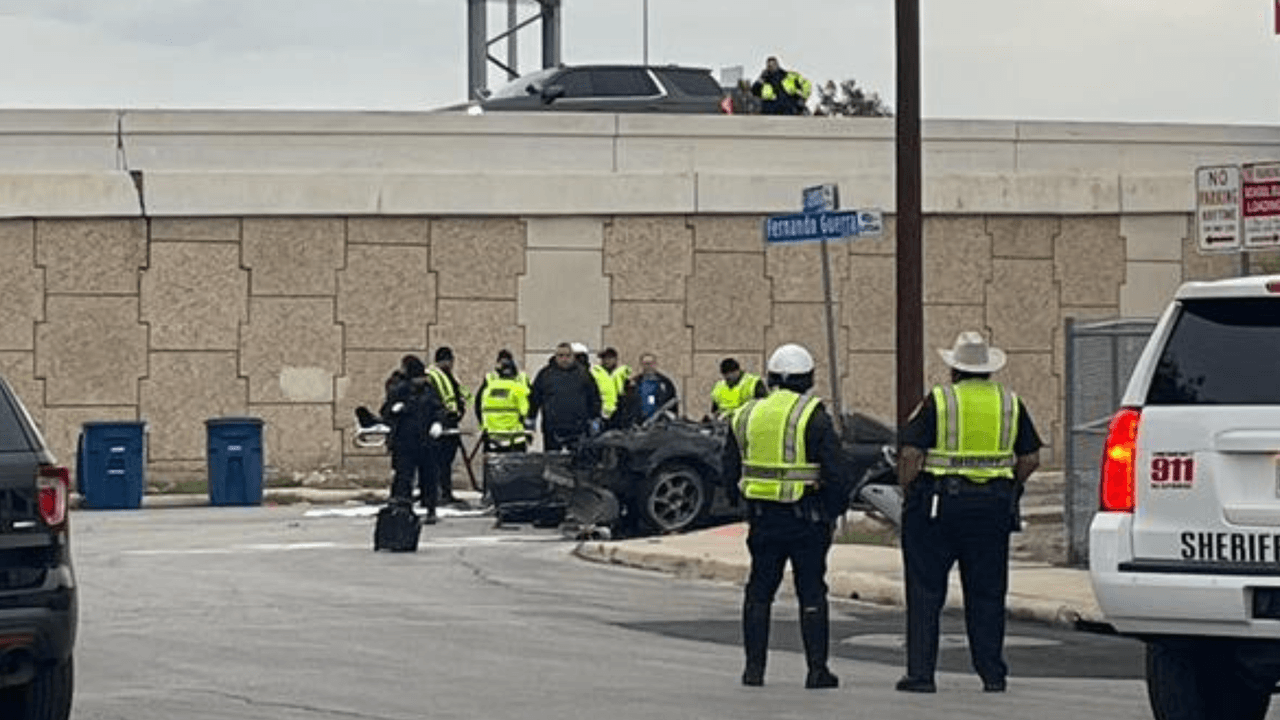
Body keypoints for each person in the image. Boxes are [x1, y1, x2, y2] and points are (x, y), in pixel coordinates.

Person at [895, 331, 1043, 694]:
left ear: (954, 370)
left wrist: (907, 486)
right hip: (992, 508)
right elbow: (1030, 458)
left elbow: (911, 455)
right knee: (988, 593)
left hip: (938, 507)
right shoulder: (1010, 402)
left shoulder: (939, 401)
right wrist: (1010, 485)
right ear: (988, 369)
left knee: (926, 590)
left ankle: (921, 675)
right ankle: (992, 674)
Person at [722, 343, 845, 689]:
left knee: (759, 591)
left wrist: (741, 502)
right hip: (807, 518)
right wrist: (832, 511)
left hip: (763, 518)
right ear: (809, 380)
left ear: (771, 378)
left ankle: (754, 670)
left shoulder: (746, 414)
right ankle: (817, 670)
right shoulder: (814, 416)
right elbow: (837, 473)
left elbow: (729, 467)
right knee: (811, 591)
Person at [380, 355, 446, 523]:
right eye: (418, 378)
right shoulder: (399, 389)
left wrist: (438, 422)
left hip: (426, 441)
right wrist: (395, 410)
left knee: (429, 476)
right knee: (404, 477)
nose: (421, 381)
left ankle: (431, 508)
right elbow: (386, 412)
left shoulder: (429, 390)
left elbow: (439, 408)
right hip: (405, 442)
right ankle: (403, 508)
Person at [528, 342, 602, 452]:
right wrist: (530, 421)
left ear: (573, 356)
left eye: (567, 356)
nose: (564, 359)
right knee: (552, 462)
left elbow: (594, 398)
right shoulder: (545, 374)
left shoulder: (583, 374)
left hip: (578, 429)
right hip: (552, 429)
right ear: (555, 356)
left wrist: (595, 420)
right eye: (561, 356)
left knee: (578, 464)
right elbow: (535, 398)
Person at [426, 347, 468, 506]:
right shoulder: (433, 376)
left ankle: (445, 492)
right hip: (439, 424)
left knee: (446, 461)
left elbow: (459, 396)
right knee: (438, 461)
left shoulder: (448, 376)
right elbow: (434, 400)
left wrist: (459, 411)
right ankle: (437, 493)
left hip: (450, 422)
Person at [474, 356, 531, 452]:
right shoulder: (518, 388)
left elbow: (480, 408)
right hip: (514, 439)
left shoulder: (489, 389)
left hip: (493, 437)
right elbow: (526, 412)